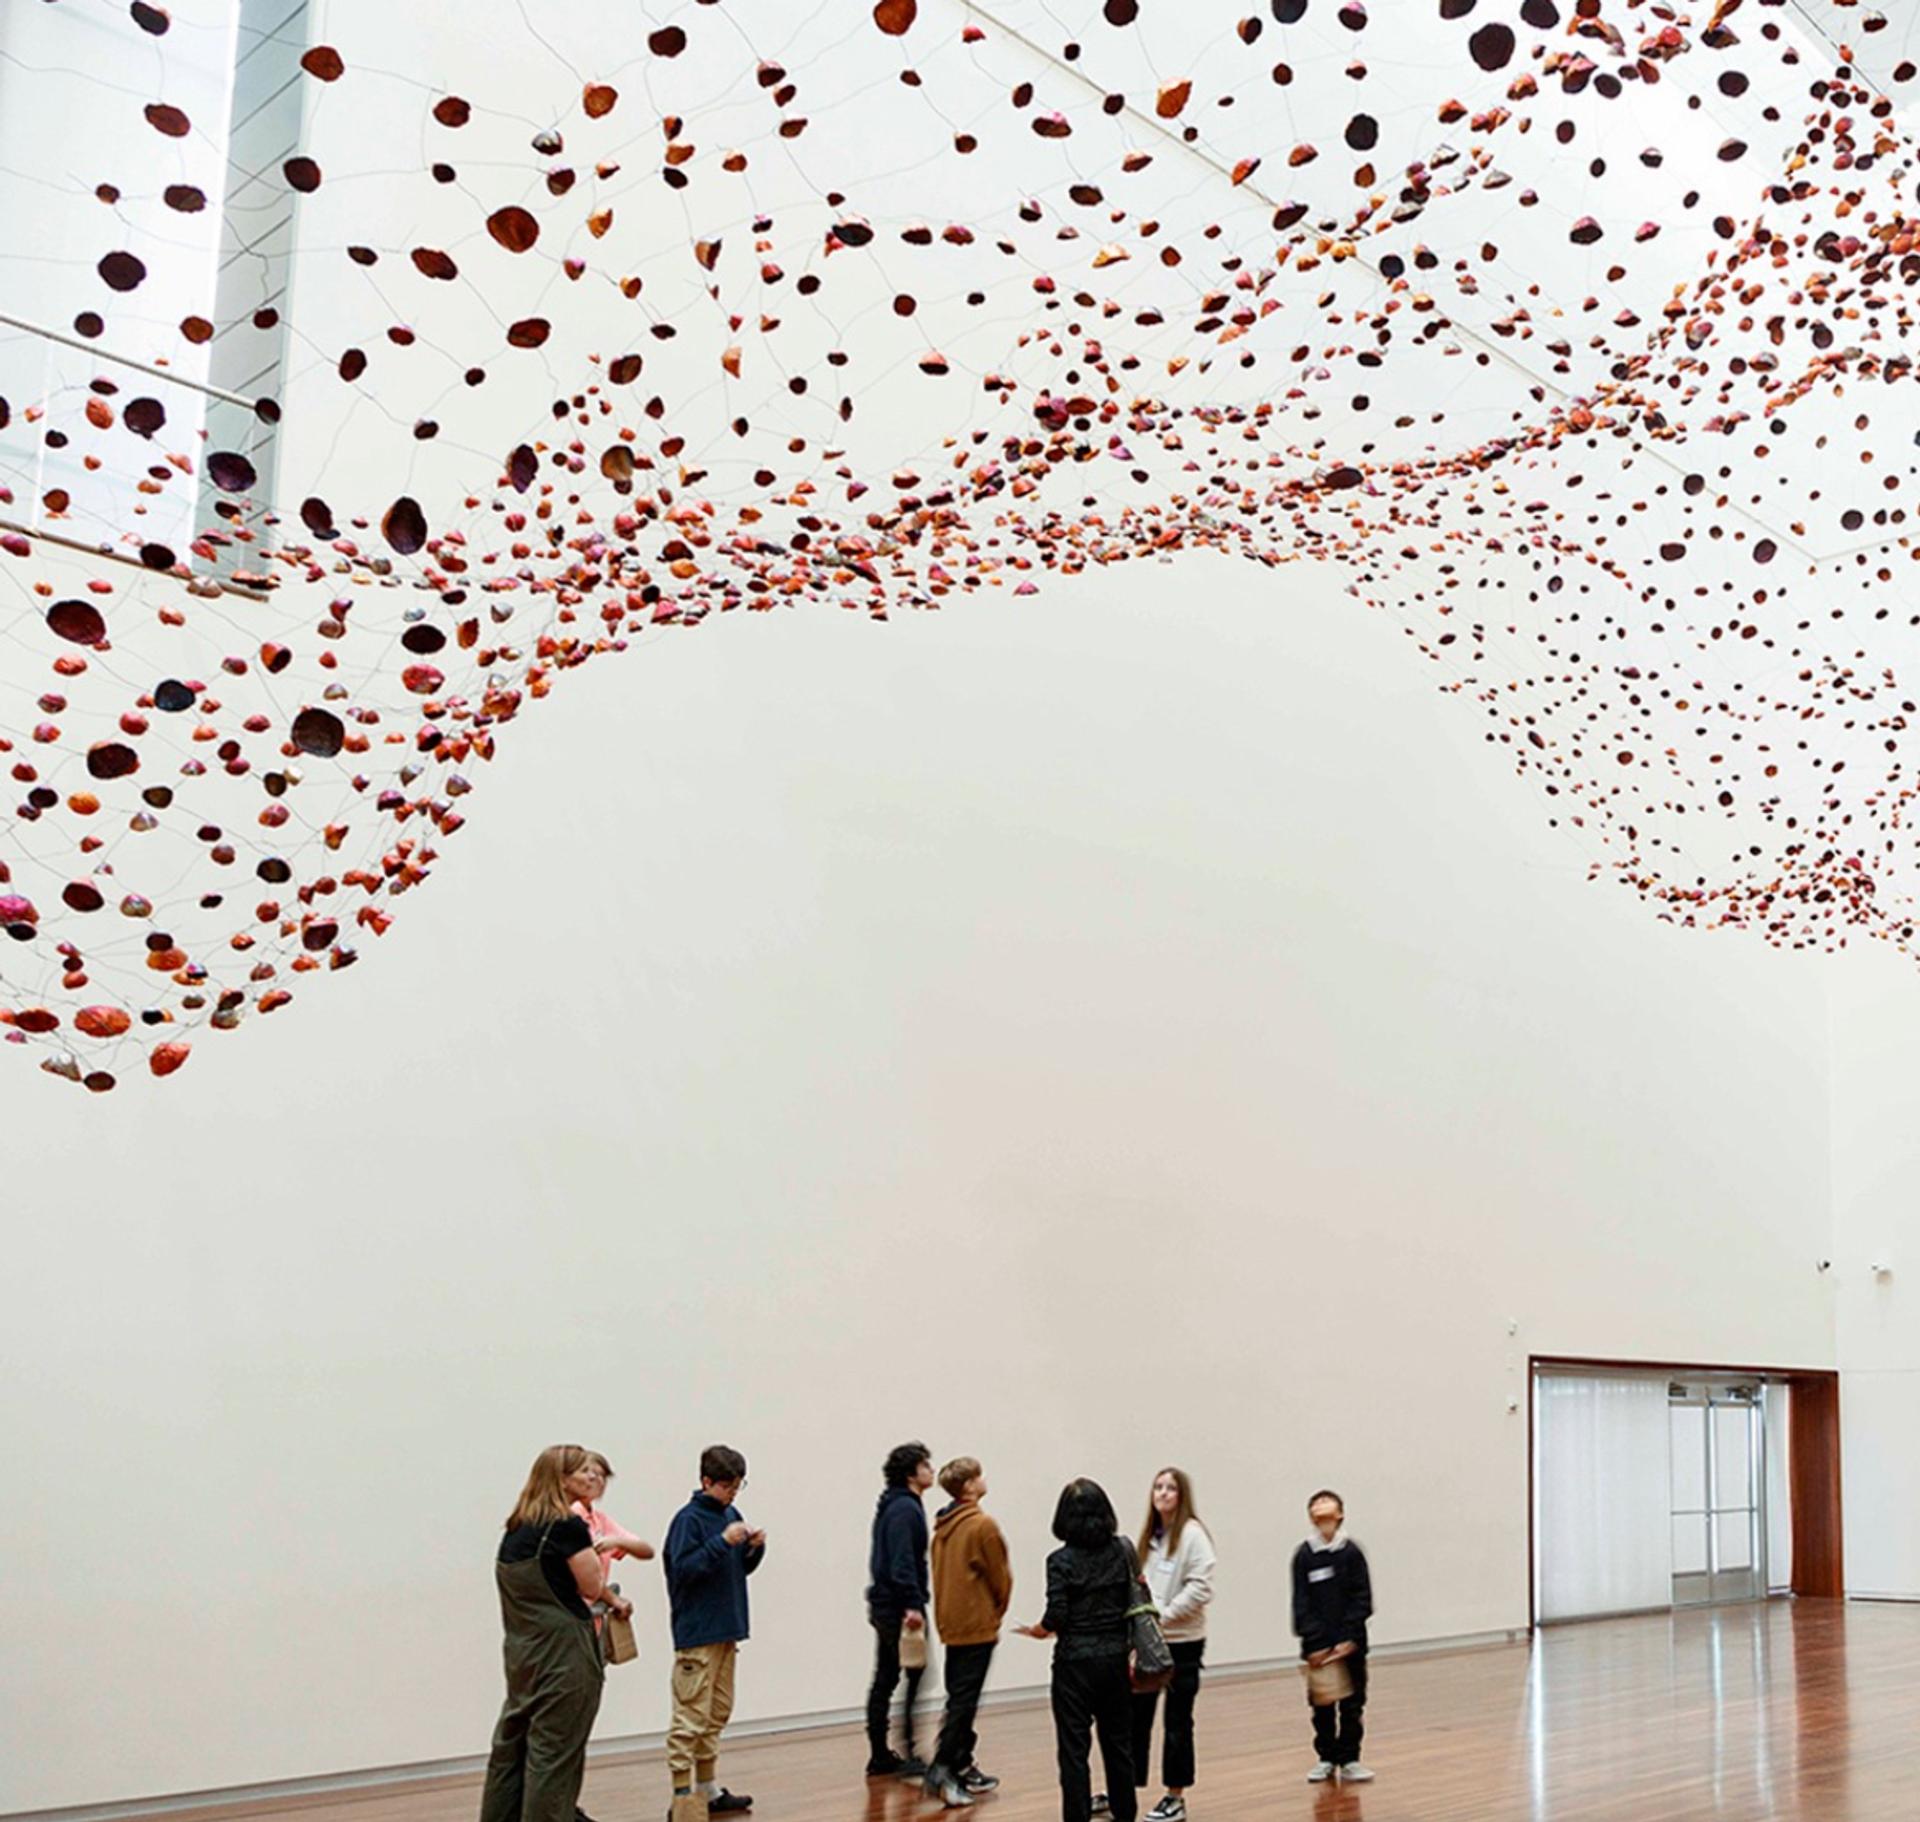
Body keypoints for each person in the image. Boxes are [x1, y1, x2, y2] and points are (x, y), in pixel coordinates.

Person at [478, 1445, 634, 1822]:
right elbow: (592, 1585)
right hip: (566, 1657)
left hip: (522, 1655)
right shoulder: (567, 1526)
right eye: (582, 1471)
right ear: (561, 1480)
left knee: (510, 1752)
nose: (593, 1477)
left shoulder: (517, 1528)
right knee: (554, 1756)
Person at [1015, 1479, 1138, 1822]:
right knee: (1118, 1748)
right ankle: (1126, 1814)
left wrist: (1039, 1631)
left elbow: (1057, 1615)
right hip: (1115, 1658)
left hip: (1073, 1664)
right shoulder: (1121, 1551)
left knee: (1073, 1752)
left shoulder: (1059, 1560)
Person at [663, 1445, 766, 1822]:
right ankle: (682, 1798)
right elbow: (684, 1572)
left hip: (727, 1629)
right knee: (689, 1716)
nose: (733, 1494)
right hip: (697, 1633)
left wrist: (754, 1549)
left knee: (716, 1713)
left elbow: (737, 1570)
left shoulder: (731, 1513)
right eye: (726, 1486)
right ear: (706, 1481)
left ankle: (707, 1789)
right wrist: (722, 1541)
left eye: (738, 1486)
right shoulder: (687, 1521)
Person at [571, 1454, 656, 1822]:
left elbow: (645, 1549)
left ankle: (563, 1803)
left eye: (601, 1474)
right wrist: (611, 1596)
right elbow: (585, 1581)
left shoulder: (597, 1519)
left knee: (579, 1721)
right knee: (568, 1724)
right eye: (588, 1472)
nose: (595, 1479)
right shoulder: (570, 1518)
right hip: (572, 1630)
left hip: (593, 1631)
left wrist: (612, 1541)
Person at [1127, 1470, 1216, 1822]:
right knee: (1136, 1719)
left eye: (1170, 1488)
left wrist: (1162, 1617)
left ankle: (1175, 1796)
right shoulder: (1149, 1537)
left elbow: (1201, 1587)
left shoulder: (1193, 1535)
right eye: (1158, 1487)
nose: (1163, 1493)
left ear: (1182, 1495)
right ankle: (1126, 1789)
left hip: (1183, 1645)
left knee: (1178, 1722)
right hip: (1148, 1644)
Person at [925, 1456, 1014, 1807]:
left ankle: (960, 1763)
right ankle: (943, 1767)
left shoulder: (942, 1528)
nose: (984, 1479)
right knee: (965, 1701)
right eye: (979, 1476)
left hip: (951, 1623)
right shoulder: (982, 1526)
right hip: (976, 1625)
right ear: (968, 1486)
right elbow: (1000, 1577)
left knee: (958, 1696)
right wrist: (996, 1611)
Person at [1291, 1489, 1374, 1786]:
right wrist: (1316, 1641)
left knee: (1352, 1705)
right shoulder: (1304, 1555)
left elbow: (1362, 1599)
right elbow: (1301, 1603)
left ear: (1340, 1513)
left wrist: (1348, 1638)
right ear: (1311, 1515)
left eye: (1328, 1503)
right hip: (1318, 1647)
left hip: (1350, 1645)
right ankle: (1326, 1758)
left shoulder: (1352, 1552)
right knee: (1322, 1705)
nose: (1322, 1507)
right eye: (1316, 1504)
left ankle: (1350, 1758)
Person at [866, 1441, 936, 1779]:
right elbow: (902, 1562)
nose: (931, 1471)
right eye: (926, 1466)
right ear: (912, 1473)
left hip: (888, 1604)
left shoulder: (895, 1505)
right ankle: (900, 1749)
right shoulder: (905, 1510)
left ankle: (884, 1752)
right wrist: (912, 1604)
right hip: (899, 1607)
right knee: (905, 1674)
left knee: (890, 1676)